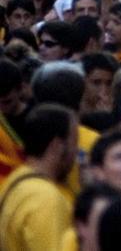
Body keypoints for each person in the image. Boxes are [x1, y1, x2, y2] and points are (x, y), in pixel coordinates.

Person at [0, 103, 76, 251]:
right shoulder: (45, 198)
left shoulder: (15, 180)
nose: (75, 153)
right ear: (57, 146)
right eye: (74, 142)